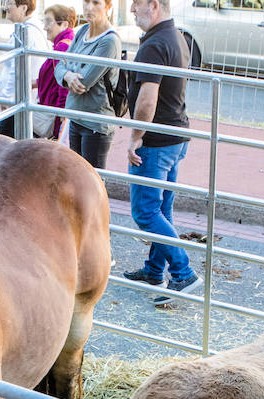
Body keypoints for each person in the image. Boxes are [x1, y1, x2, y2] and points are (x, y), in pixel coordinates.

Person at [124, 0, 199, 308]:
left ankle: (184, 272)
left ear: (153, 5)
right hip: (175, 136)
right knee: (161, 210)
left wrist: (135, 137)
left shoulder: (155, 44)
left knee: (145, 212)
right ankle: (155, 270)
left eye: (135, 4)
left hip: (156, 141)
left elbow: (147, 100)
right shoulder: (177, 37)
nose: (131, 10)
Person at [53, 0, 119, 171]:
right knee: (75, 179)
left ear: (108, 7)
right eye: (86, 2)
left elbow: (83, 82)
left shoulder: (109, 41)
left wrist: (68, 70)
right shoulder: (82, 31)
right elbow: (59, 65)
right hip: (75, 116)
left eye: (96, 3)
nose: (89, 7)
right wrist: (68, 74)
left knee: (93, 183)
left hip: (95, 122)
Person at [0, 0, 43, 139]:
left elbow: (16, 69)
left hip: (19, 101)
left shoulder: (27, 33)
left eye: (10, 4)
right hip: (23, 99)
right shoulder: (28, 29)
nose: (6, 7)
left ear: (23, 8)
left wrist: (7, 97)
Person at [34, 5, 75, 141]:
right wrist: (34, 83)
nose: (45, 27)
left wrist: (62, 116)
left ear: (64, 24)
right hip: (55, 113)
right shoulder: (62, 45)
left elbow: (63, 84)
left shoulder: (62, 47)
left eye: (48, 22)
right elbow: (53, 77)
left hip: (55, 117)